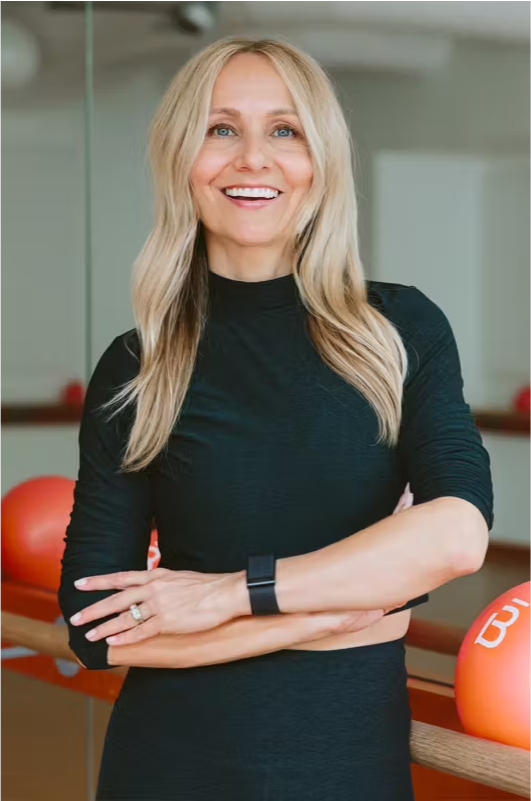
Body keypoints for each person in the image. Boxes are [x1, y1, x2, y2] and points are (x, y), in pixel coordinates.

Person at [58, 36, 494, 801]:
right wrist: (331, 611)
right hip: (167, 769)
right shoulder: (138, 364)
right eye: (220, 128)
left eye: (284, 130)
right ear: (180, 158)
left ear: (318, 162)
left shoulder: (398, 330)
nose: (252, 158)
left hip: (343, 770)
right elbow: (94, 629)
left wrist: (228, 595)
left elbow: (455, 532)